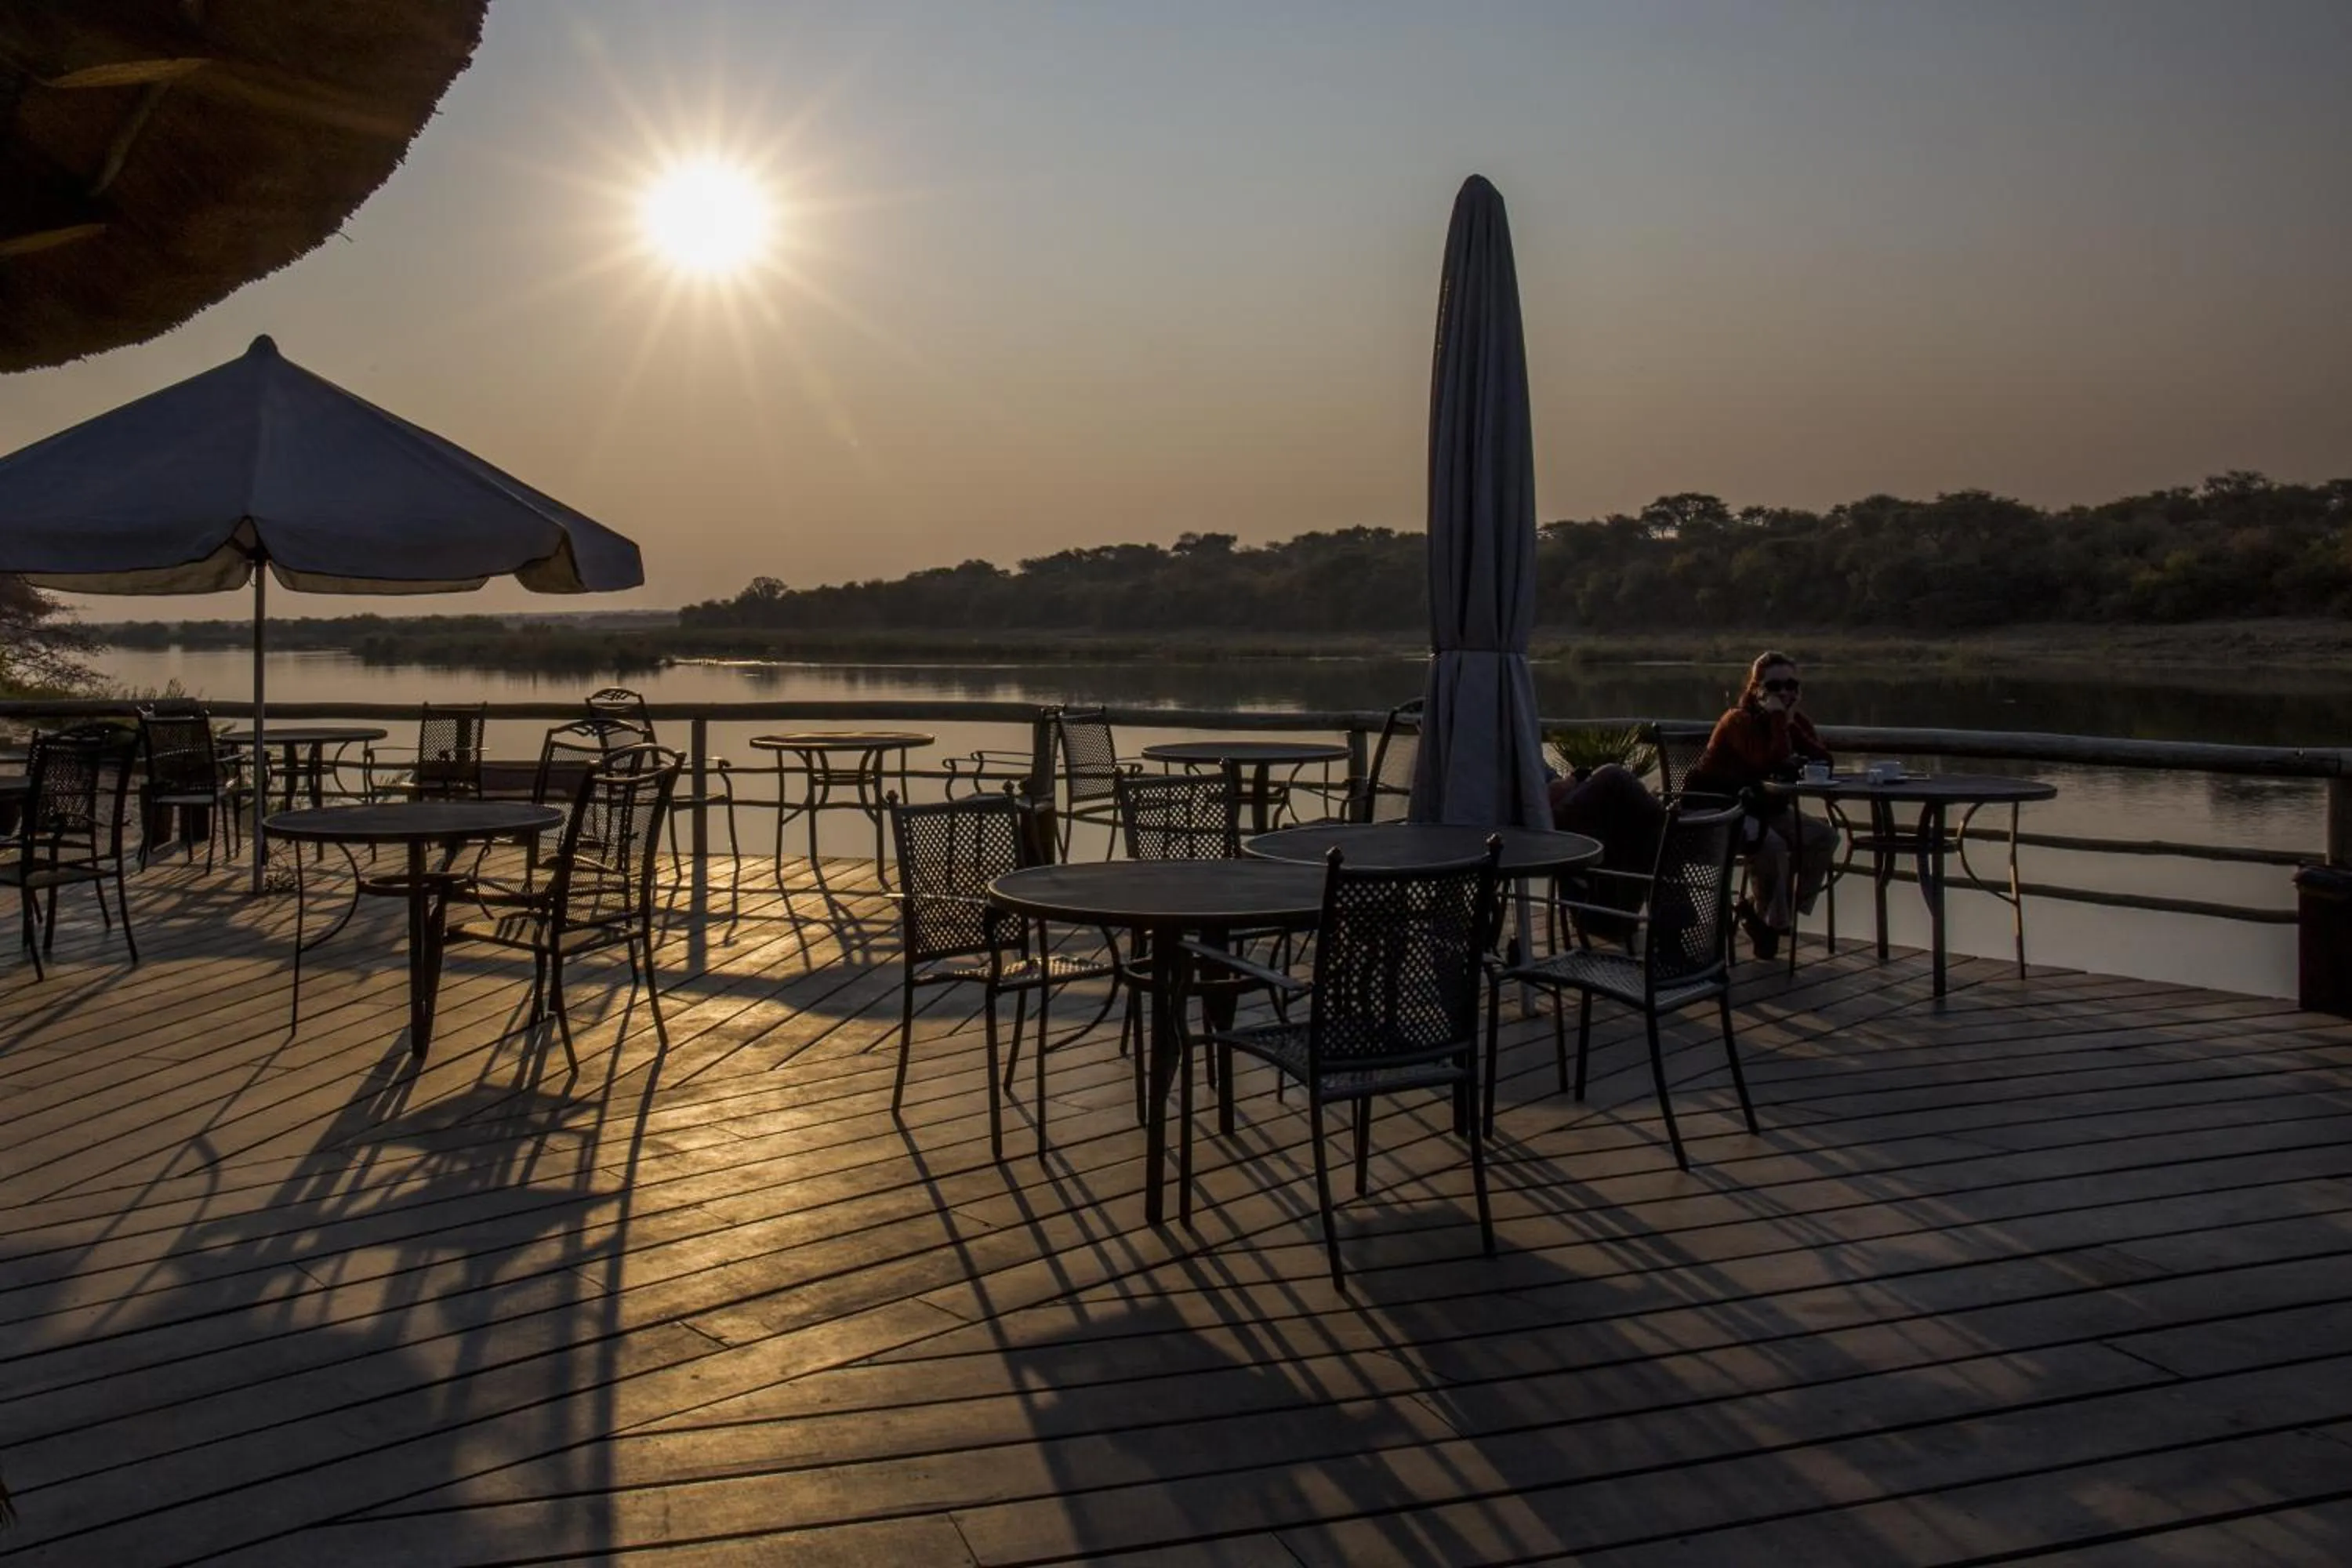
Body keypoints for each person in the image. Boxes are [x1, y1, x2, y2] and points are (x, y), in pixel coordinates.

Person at [1686, 650, 1841, 959]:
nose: (1784, 692)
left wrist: (1789, 722)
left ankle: (1771, 920)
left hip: (1764, 808)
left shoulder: (1790, 719)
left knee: (1824, 837)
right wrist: (1778, 719)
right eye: (1774, 687)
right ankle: (1771, 919)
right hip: (1723, 810)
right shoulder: (1737, 721)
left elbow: (1824, 761)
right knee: (1771, 846)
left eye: (1791, 685)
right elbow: (1770, 760)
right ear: (1755, 689)